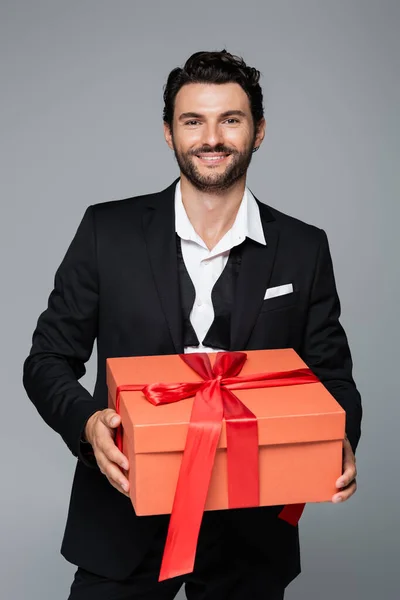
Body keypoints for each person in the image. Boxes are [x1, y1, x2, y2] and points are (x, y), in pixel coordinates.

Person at [23, 50, 362, 600]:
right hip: (123, 514)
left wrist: (340, 437)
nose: (212, 137)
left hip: (251, 528)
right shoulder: (106, 232)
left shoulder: (303, 248)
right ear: (168, 132)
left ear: (259, 132)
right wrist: (88, 425)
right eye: (193, 121)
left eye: (230, 119)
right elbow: (46, 361)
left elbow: (331, 374)